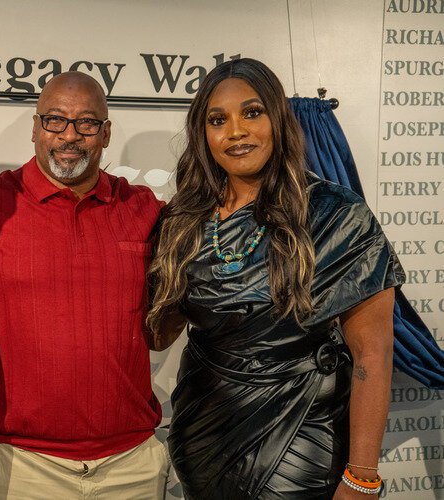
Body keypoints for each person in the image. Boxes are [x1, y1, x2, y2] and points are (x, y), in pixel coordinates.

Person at [147, 58, 403, 499]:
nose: (236, 131)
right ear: (202, 135)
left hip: (302, 433)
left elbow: (373, 355)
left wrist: (361, 476)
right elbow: (159, 335)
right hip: (203, 430)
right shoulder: (182, 219)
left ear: (278, 120)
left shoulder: (334, 215)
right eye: (217, 120)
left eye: (252, 112)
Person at [0, 71, 168, 498]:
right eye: (55, 121)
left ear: (105, 134)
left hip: (131, 465)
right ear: (35, 128)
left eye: (86, 123)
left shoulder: (142, 209)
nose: (70, 135)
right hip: (19, 467)